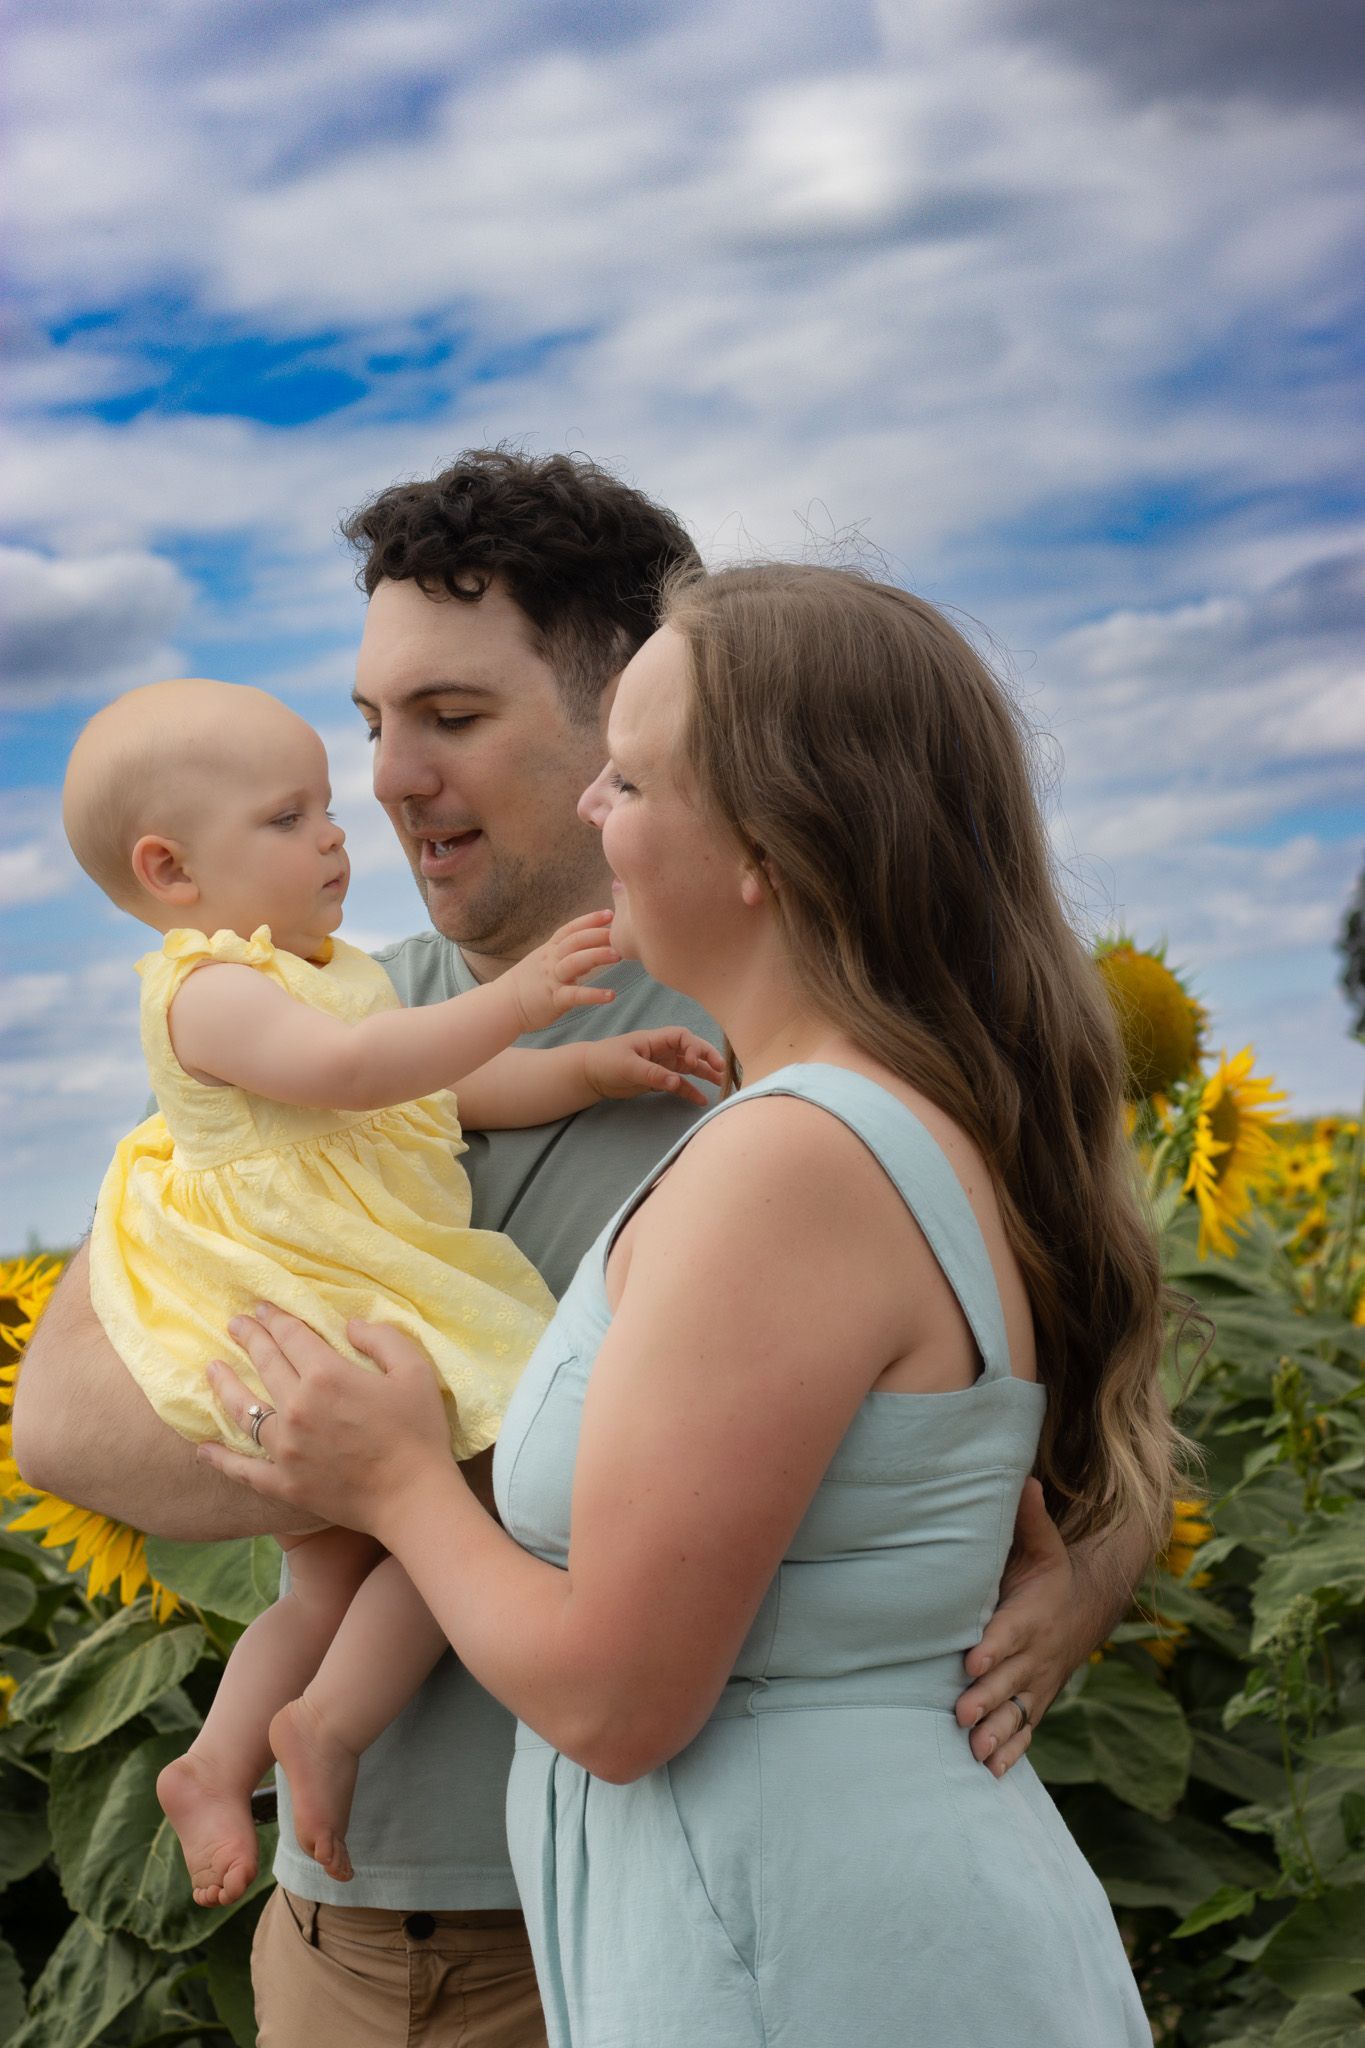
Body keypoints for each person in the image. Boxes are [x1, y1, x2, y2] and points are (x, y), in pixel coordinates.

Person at [14, 451, 1152, 2048]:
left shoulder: (799, 1054)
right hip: (337, 1921)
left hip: (624, 1922)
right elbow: (67, 1420)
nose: (392, 778)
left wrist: (1095, 1558)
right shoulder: (319, 1015)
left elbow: (1068, 1394)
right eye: (368, 726)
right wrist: (401, 1446)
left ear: (632, 716)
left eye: (452, 718)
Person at [60, 676, 722, 1912]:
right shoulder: (210, 991)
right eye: (287, 815)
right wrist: (516, 1002)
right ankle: (330, 1726)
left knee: (335, 1574)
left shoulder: (320, 970)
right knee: (488, 1469)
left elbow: (432, 1100)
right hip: (308, 1293)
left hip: (336, 1284)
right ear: (170, 869)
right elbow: (363, 1070)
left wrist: (582, 1066)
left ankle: (221, 1759)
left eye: (323, 804)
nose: (337, 831)